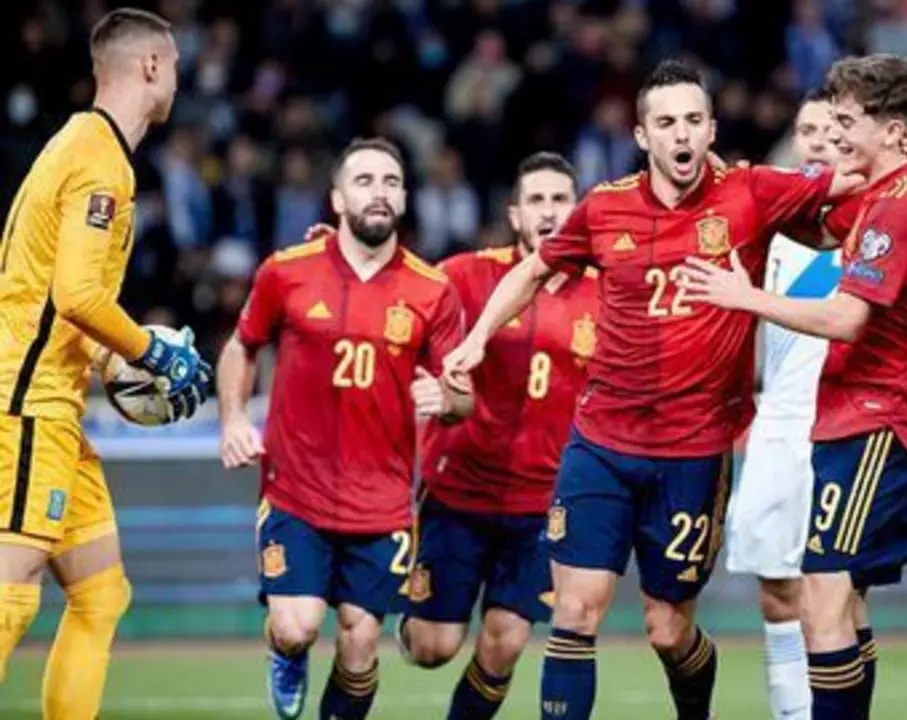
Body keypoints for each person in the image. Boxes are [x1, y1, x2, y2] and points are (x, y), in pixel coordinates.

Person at [443, 57, 881, 720]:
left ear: (711, 129)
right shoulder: (605, 206)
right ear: (643, 135)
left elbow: (853, 178)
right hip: (601, 445)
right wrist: (477, 339)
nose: (682, 135)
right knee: (575, 612)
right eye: (667, 122)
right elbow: (532, 270)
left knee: (667, 629)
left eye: (694, 121)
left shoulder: (752, 193)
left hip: (694, 451)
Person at [681, 54, 907, 720]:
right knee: (810, 595)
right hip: (808, 419)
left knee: (826, 596)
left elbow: (849, 317)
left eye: (842, 123)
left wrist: (741, 297)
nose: (829, 137)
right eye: (816, 127)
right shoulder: (819, 207)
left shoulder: (894, 203)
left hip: (873, 417)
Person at [0, 9, 212, 718]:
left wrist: (112, 361)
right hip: (28, 405)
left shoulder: (79, 145)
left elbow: (62, 302)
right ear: (152, 66)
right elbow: (79, 292)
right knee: (8, 598)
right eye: (176, 66)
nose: (178, 81)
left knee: (100, 591)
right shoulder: (101, 161)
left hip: (52, 401)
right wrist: (150, 351)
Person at [217, 137, 474, 720]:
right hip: (296, 490)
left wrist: (449, 397)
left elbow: (464, 394)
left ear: (404, 198)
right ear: (336, 198)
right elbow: (241, 345)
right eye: (364, 181)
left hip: (381, 501)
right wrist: (232, 417)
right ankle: (284, 653)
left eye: (390, 182)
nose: (378, 192)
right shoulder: (286, 271)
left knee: (360, 643)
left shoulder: (431, 289)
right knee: (297, 625)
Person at [397, 151, 597, 720]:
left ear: (578, 210)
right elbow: (394, 293)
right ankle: (404, 619)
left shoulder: (605, 293)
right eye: (536, 199)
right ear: (515, 215)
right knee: (433, 648)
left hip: (543, 505)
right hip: (457, 493)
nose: (550, 211)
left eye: (561, 199)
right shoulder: (466, 276)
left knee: (505, 640)